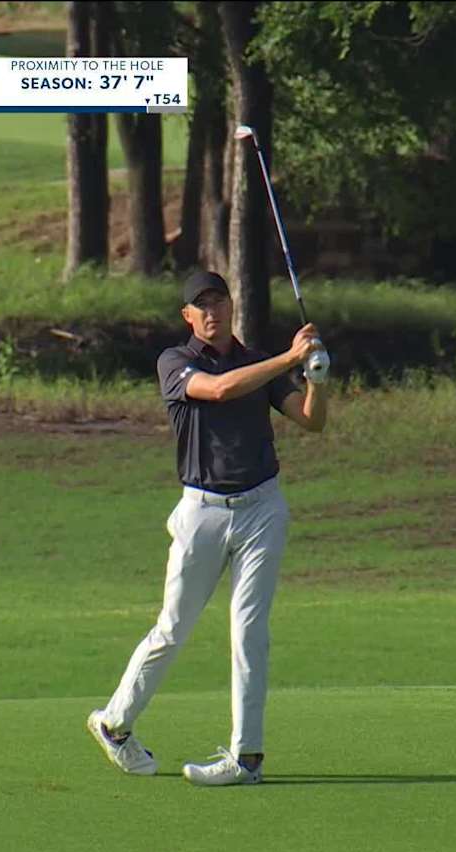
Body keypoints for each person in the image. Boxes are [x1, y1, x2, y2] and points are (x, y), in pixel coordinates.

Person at [87, 270, 329, 787]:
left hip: (263, 508)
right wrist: (288, 359)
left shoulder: (254, 362)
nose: (212, 311)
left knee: (250, 633)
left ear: (231, 305)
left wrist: (317, 378)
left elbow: (311, 421)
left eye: (219, 300)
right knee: (174, 627)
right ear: (188, 316)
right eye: (202, 305)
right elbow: (217, 391)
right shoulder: (176, 363)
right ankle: (115, 724)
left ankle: (247, 759)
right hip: (203, 511)